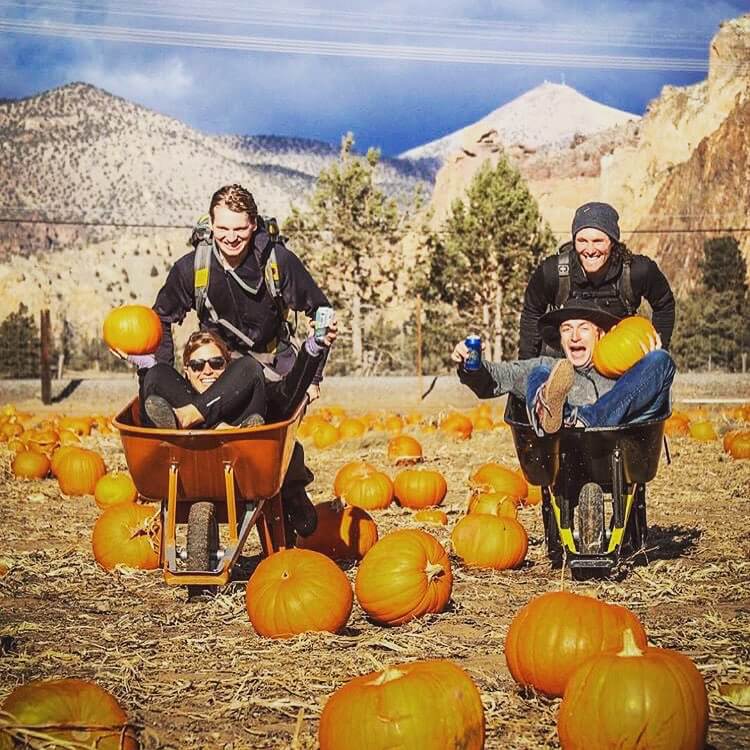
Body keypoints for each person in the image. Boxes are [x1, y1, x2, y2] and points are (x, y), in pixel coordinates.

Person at [149, 183, 333, 538]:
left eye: (239, 229)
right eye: (223, 229)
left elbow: (321, 311)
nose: (231, 238)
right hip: (218, 371)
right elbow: (162, 316)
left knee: (274, 431)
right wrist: (164, 363)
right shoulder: (194, 268)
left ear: (253, 225)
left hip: (272, 365)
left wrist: (313, 377)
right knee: (165, 380)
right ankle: (212, 438)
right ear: (211, 225)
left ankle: (290, 485)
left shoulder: (277, 262)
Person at [453, 299, 675, 436]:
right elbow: (494, 379)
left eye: (584, 328)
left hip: (618, 445)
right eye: (567, 328)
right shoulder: (549, 366)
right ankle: (549, 407)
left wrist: (648, 359)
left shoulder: (624, 371)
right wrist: (470, 364)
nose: (575, 336)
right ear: (560, 338)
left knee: (662, 360)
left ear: (601, 334)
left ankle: (581, 420)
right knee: (540, 373)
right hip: (561, 451)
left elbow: (655, 406)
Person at [518, 201, 675, 359]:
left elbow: (664, 305)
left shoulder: (637, 271)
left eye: (598, 241)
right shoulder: (552, 271)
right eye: (582, 241)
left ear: (612, 242)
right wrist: (525, 366)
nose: (590, 250)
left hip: (619, 359)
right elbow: (531, 314)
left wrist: (658, 349)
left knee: (661, 365)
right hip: (566, 360)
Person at [136, 323, 337, 430]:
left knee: (250, 365)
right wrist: (145, 369)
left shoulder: (248, 390)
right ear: (186, 372)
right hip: (188, 466)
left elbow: (287, 396)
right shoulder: (168, 409)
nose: (207, 371)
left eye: (216, 363)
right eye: (197, 366)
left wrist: (312, 349)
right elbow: (146, 425)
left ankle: (191, 417)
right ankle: (221, 428)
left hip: (244, 465)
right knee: (157, 371)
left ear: (228, 366)